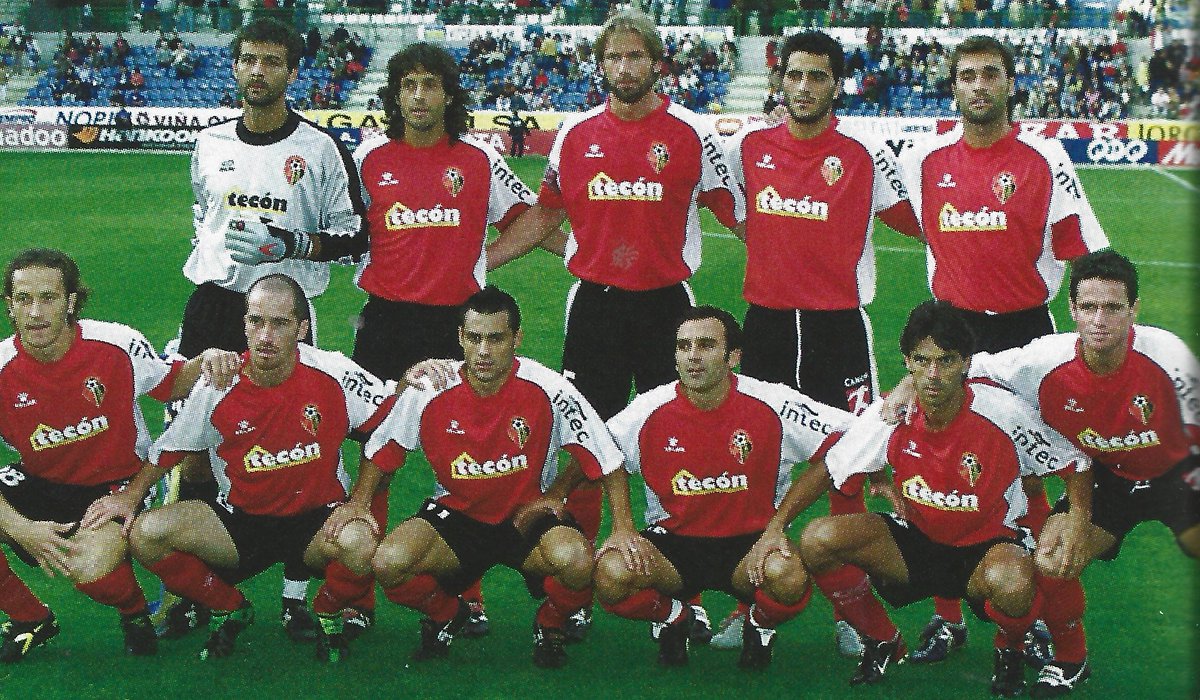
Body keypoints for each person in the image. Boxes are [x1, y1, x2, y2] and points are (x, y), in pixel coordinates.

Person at [893, 35, 1109, 659]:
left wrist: (1093, 331)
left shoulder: (1043, 158)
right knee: (933, 465)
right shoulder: (926, 159)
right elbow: (893, 214)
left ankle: (1034, 613)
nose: (979, 85)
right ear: (953, 87)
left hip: (1025, 332)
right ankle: (947, 615)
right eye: (967, 75)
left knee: (1035, 468)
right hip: (950, 332)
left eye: (991, 73)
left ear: (1011, 84)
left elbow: (1081, 245)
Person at [535, 8, 745, 641]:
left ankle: (673, 582)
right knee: (583, 439)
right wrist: (573, 253)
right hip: (595, 305)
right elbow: (544, 218)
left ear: (658, 63)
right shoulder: (574, 133)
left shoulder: (691, 132)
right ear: (601, 65)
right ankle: (572, 590)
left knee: (667, 440)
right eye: (613, 58)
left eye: (634, 57)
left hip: (667, 306)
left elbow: (735, 213)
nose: (623, 68)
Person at [347, 42, 563, 639]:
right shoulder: (369, 160)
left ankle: (467, 593)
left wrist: (482, 263)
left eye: (430, 85)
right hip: (387, 321)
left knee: (464, 454)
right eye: (408, 85)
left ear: (448, 94)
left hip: (454, 325)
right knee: (377, 456)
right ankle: (357, 592)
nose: (419, 97)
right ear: (395, 94)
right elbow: (343, 233)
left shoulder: (476, 159)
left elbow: (528, 219)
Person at [911, 250, 1199, 697]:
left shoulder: (1169, 358)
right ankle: (1072, 660)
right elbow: (972, 368)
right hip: (1109, 478)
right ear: (1071, 310)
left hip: (1178, 474)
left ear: (1133, 310)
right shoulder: (1044, 360)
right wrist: (911, 384)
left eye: (1112, 307)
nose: (1099, 319)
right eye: (1088, 307)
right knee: (1051, 558)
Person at [718, 28, 921, 656]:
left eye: (818, 77)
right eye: (795, 76)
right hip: (770, 323)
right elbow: (728, 205)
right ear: (780, 80)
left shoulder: (864, 149)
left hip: (838, 326)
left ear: (837, 83)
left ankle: (850, 611)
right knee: (758, 461)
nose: (805, 88)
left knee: (852, 460)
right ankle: (750, 605)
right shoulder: (747, 146)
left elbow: (912, 217)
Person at [166, 17, 368, 641]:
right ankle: (199, 590)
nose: (258, 71)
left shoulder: (319, 150)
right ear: (234, 66)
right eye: (248, 59)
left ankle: (294, 593)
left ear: (291, 71)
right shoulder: (208, 143)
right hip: (215, 305)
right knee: (193, 448)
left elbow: (358, 234)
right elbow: (205, 220)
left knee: (296, 448)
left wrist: (290, 242)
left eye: (271, 61)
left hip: (283, 313)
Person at [793, 300, 1092, 695]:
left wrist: (1076, 518)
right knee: (816, 539)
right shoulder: (894, 411)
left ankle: (1011, 649)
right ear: (907, 362)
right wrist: (775, 528)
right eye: (922, 360)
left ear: (966, 362)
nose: (933, 374)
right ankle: (883, 640)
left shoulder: (1003, 413)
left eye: (946, 361)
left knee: (1015, 583)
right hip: (917, 545)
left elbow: (1074, 462)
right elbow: (832, 467)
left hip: (985, 548)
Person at [110, 274, 394, 663]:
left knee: (361, 543)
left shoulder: (335, 373)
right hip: (241, 523)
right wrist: (130, 496)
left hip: (315, 522)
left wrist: (359, 501)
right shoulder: (220, 383)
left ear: (302, 328)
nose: (265, 336)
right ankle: (230, 606)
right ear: (243, 324)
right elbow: (172, 447)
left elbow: (390, 431)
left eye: (279, 324)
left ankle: (326, 611)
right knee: (147, 534)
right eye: (256, 321)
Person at [354, 286, 628, 667]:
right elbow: (381, 452)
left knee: (578, 560)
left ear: (516, 339)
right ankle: (447, 613)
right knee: (389, 562)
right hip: (458, 517)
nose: (484, 351)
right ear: (460, 338)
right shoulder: (431, 388)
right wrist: (356, 504)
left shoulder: (550, 388)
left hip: (525, 516)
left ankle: (549, 623)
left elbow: (606, 457)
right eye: (475, 338)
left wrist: (622, 528)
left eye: (496, 338)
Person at [0, 248, 237, 662]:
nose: (35, 312)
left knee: (89, 568)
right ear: (10, 306)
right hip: (41, 480)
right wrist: (22, 528)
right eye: (23, 299)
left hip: (113, 483)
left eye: (48, 297)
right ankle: (28, 619)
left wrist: (209, 359)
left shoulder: (116, 344)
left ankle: (133, 613)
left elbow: (173, 383)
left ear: (71, 301)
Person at [592, 306, 852, 669]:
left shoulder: (774, 403)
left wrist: (778, 525)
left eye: (706, 345)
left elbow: (842, 444)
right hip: (673, 548)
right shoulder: (648, 409)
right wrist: (622, 527)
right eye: (684, 347)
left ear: (733, 357)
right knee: (612, 573)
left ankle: (759, 626)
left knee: (789, 578)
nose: (693, 357)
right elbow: (602, 455)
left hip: (750, 548)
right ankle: (673, 617)